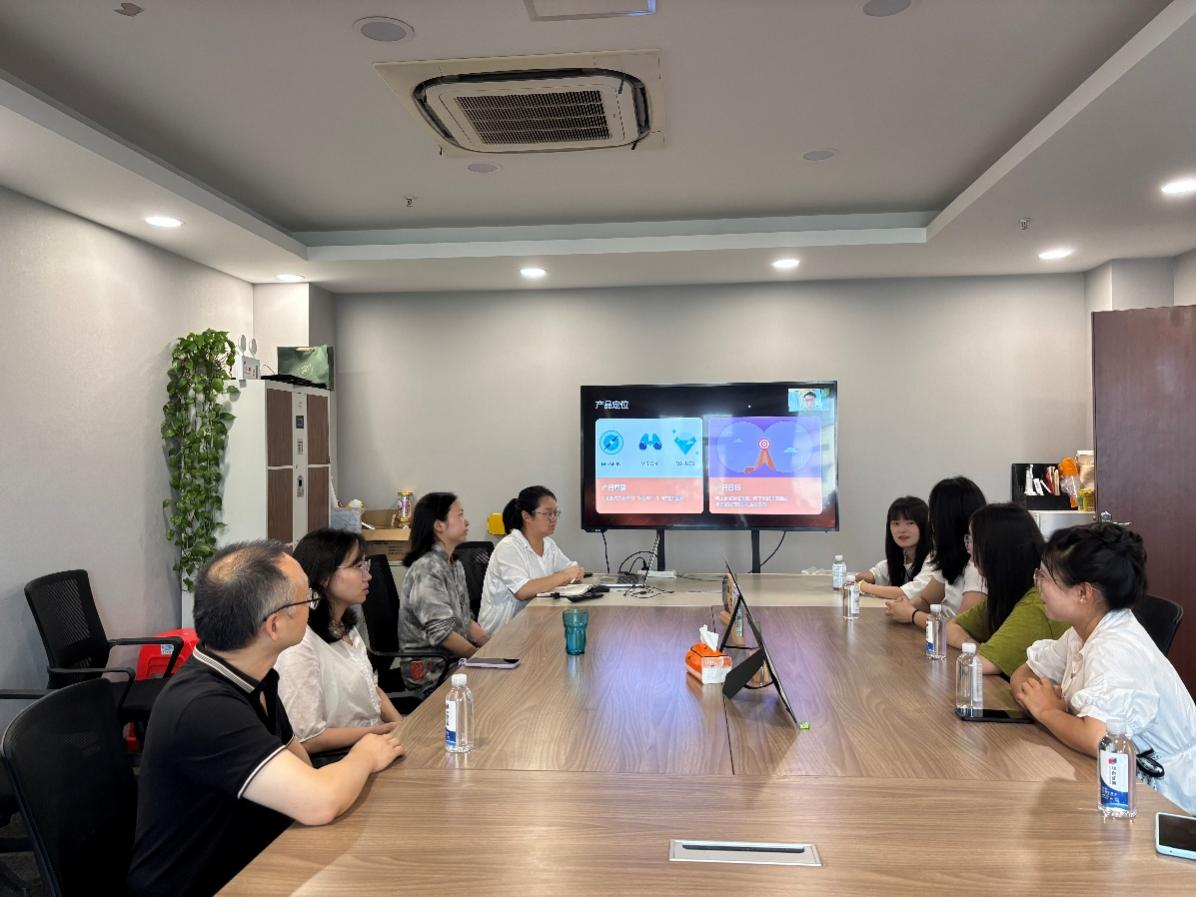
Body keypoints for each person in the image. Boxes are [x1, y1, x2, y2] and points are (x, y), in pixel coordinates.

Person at [128, 541, 404, 897]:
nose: (313, 607)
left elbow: (302, 767)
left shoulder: (257, 677)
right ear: (274, 626)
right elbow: (319, 801)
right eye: (307, 600)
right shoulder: (204, 708)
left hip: (256, 857)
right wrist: (365, 753)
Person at [1011, 523, 1196, 813]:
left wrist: (1047, 710)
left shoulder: (1115, 647)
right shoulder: (1082, 630)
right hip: (1115, 780)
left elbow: (1100, 739)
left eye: (1045, 577)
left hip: (1166, 799)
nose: (1037, 585)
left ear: (1084, 593)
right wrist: (1042, 702)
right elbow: (1023, 674)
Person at [276, 528, 403, 759]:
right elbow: (308, 738)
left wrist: (402, 726)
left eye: (365, 565)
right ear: (324, 576)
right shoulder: (300, 642)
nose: (368, 576)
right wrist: (382, 731)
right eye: (357, 566)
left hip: (375, 745)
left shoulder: (345, 626)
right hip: (342, 759)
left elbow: (372, 688)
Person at [945, 503, 1070, 677]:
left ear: (996, 549)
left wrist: (980, 652)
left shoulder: (1036, 604)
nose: (969, 549)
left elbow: (982, 665)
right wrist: (974, 647)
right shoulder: (1008, 593)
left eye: (972, 541)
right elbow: (951, 627)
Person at [398, 492, 490, 690]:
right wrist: (479, 657)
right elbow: (442, 634)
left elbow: (465, 620)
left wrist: (492, 646)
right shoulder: (427, 569)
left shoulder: (454, 565)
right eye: (460, 515)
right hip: (432, 671)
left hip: (454, 661)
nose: (466, 522)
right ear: (439, 526)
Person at [478, 485, 584, 633]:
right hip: (503, 632)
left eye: (556, 513)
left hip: (534, 623)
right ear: (526, 516)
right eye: (547, 513)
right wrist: (565, 576)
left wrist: (575, 572)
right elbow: (522, 590)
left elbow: (573, 568)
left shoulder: (548, 544)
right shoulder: (509, 547)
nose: (553, 519)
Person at [886, 475, 987, 626]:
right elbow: (926, 600)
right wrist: (904, 606)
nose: (930, 521)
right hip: (939, 634)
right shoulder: (951, 558)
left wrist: (912, 615)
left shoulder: (977, 567)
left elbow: (962, 627)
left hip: (951, 638)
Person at [855, 496, 933, 601]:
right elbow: (876, 574)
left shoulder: (933, 560)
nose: (902, 529)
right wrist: (856, 579)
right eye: (896, 523)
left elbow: (905, 594)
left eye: (910, 523)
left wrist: (863, 586)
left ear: (924, 526)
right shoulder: (902, 557)